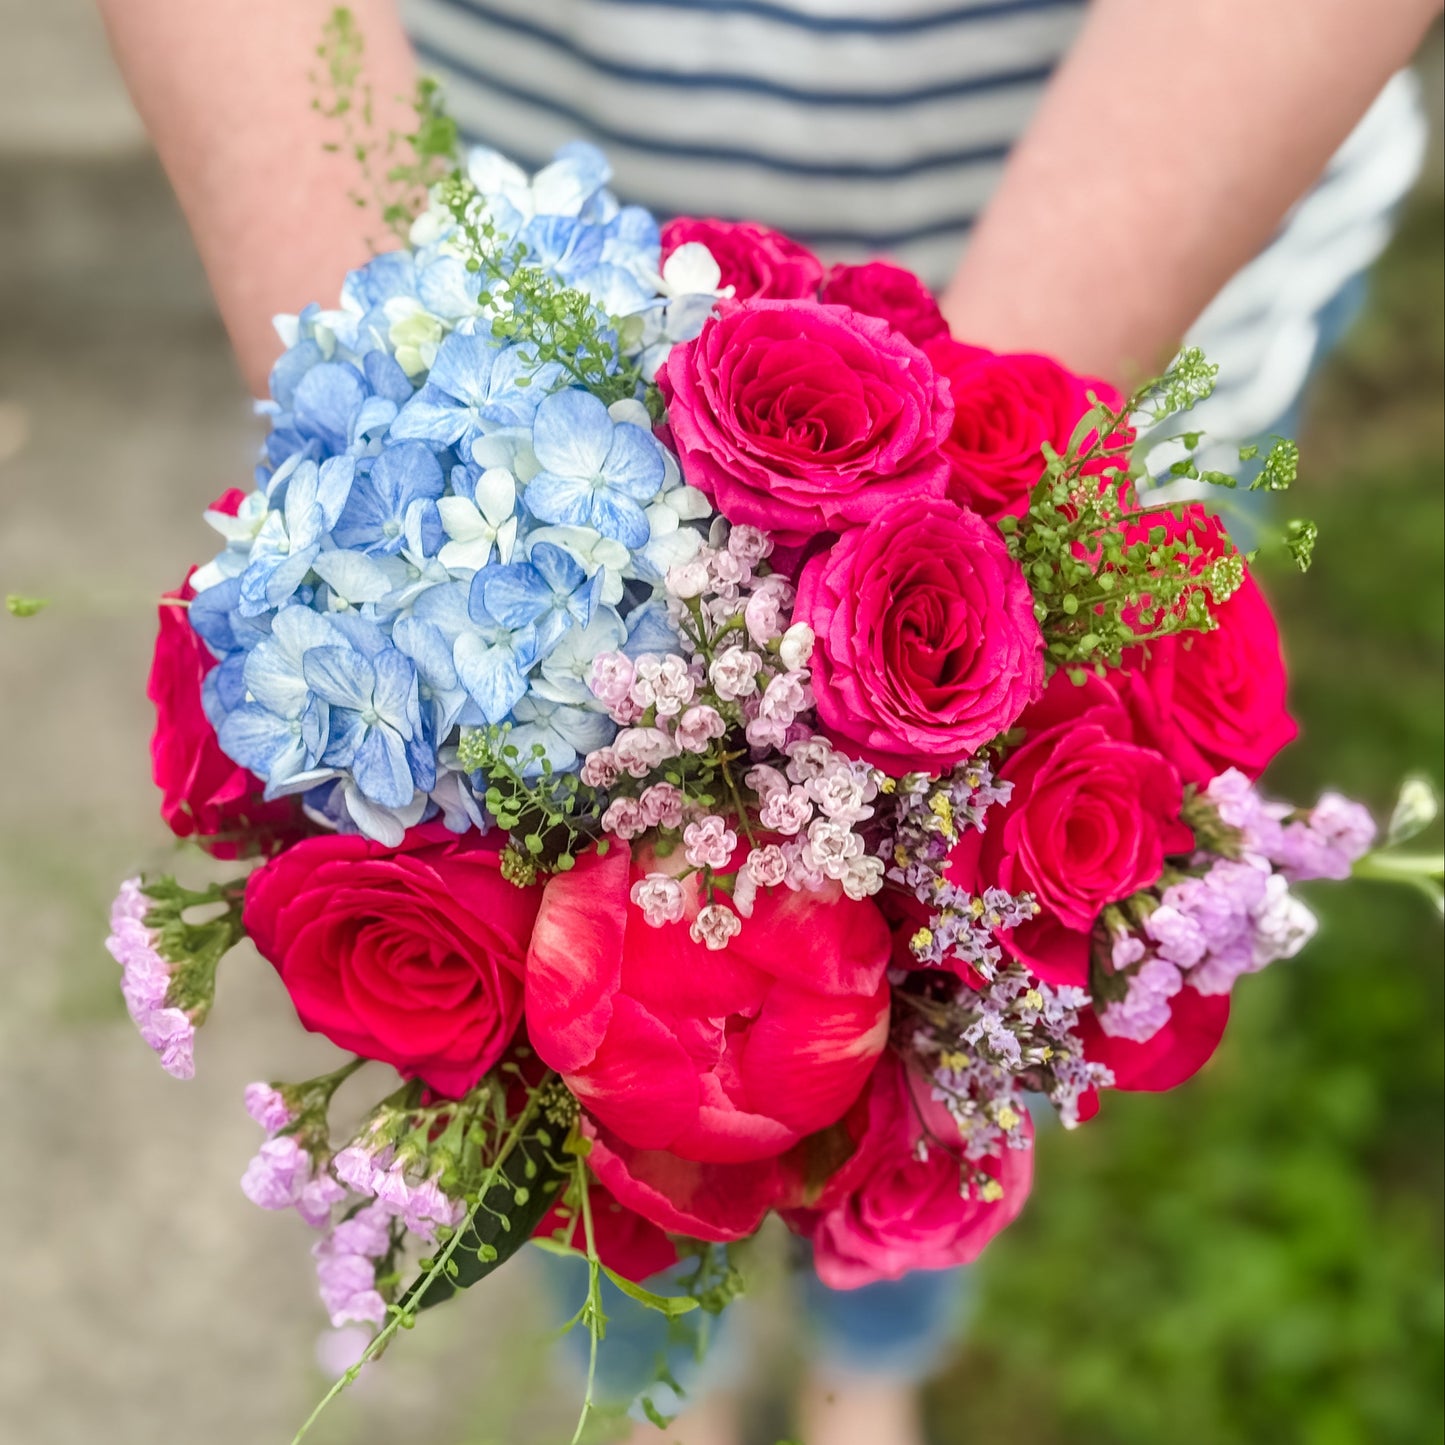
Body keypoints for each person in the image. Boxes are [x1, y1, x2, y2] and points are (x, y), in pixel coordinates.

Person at [93, 2, 1440, 1442]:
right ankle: (649, 1378)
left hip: (1155, 228)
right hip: (509, 262)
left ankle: (875, 1349)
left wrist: (952, 525)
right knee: (562, 1021)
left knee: (969, 1024)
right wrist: (394, 423)